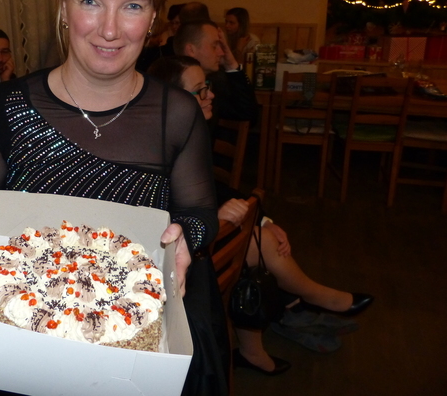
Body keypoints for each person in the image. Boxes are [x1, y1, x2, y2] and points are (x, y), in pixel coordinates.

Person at [0, 0, 229, 396]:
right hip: (21, 353)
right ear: (64, 7)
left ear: (153, 19)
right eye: (90, 1)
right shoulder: (4, 107)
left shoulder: (176, 114)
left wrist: (184, 238)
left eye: (132, 6)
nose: (110, 29)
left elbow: (199, 211)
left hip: (128, 358)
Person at [148, 55, 374, 375]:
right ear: (174, 98)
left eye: (207, 86)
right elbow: (157, 213)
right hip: (170, 258)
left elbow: (215, 188)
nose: (211, 94)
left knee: (257, 236)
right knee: (259, 243)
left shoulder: (186, 129)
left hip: (192, 246)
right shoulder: (155, 143)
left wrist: (261, 218)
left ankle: (289, 311)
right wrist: (211, 217)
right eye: (201, 90)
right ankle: (307, 300)